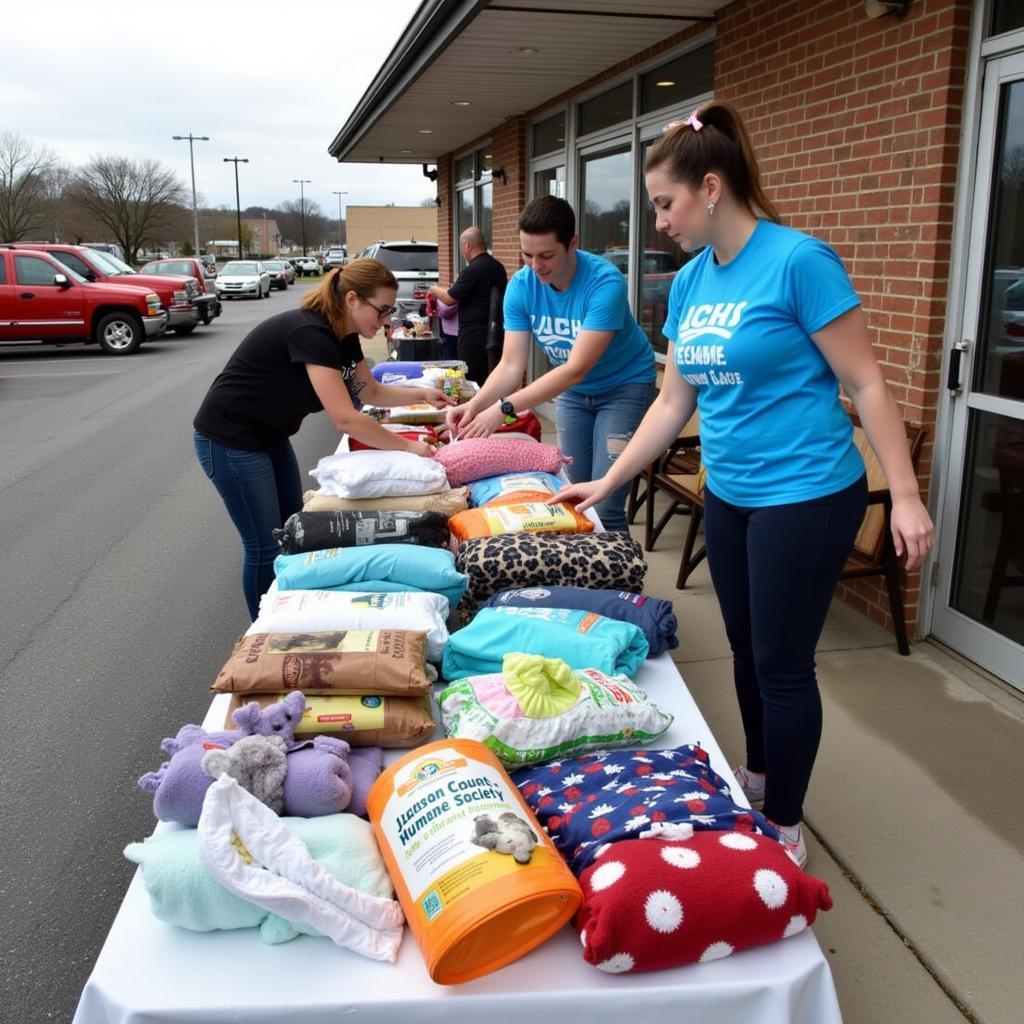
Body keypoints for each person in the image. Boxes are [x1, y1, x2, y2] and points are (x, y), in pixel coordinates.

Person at [555, 102, 934, 866]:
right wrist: (608, 480)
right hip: (731, 493)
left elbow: (865, 382)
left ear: (714, 187)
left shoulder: (800, 261)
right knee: (742, 645)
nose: (657, 221)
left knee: (783, 663)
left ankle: (785, 826)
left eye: (666, 203)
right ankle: (759, 773)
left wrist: (907, 494)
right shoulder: (693, 281)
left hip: (806, 494)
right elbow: (673, 400)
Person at [193, 259, 453, 619]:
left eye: (390, 311)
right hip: (231, 440)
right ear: (352, 300)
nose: (385, 321)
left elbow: (370, 391)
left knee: (292, 537)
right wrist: (411, 448)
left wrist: (420, 395)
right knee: (265, 547)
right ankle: (264, 633)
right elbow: (346, 417)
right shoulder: (311, 333)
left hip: (270, 438)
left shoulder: (344, 338)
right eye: (381, 310)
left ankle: (287, 613)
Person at [447, 196, 657, 533]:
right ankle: (584, 578)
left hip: (625, 388)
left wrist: (504, 408)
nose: (535, 266)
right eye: (527, 255)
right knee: (569, 491)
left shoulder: (605, 283)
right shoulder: (521, 286)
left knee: (604, 499)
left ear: (573, 243)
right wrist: (475, 405)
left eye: (546, 255)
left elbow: (576, 367)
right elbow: (511, 365)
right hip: (575, 395)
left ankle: (619, 583)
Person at [429, 227, 507, 383]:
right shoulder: (498, 268)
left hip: (473, 336)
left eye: (461, 248)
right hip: (496, 334)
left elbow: (449, 298)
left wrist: (433, 289)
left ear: (467, 246)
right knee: (491, 380)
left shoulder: (472, 270)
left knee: (471, 380)